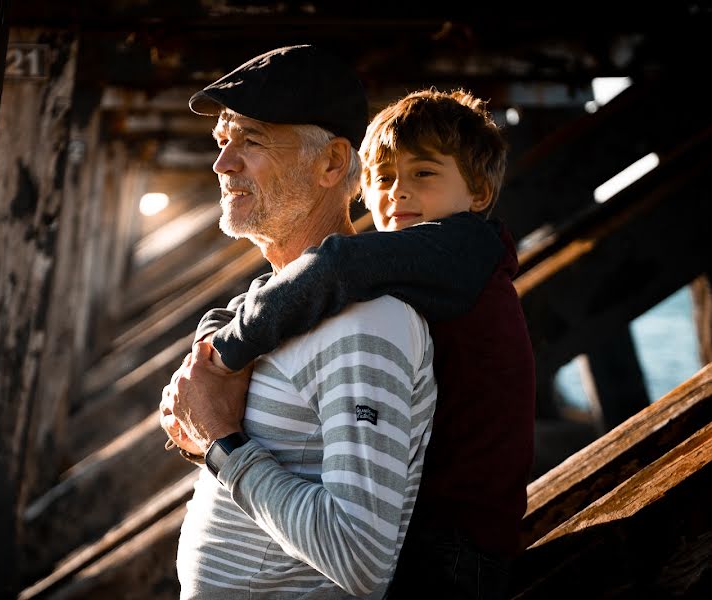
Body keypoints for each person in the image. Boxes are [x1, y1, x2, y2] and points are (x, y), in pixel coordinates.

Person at [184, 88, 537, 599]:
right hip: (436, 522)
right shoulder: (420, 263)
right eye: (384, 178)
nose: (398, 194)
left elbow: (336, 265)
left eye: (424, 174)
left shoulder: (462, 246)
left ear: (479, 195)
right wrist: (212, 333)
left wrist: (226, 352)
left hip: (456, 543)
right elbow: (282, 287)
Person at [158, 44, 439, 599]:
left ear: (333, 163)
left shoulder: (365, 326)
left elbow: (360, 560)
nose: (222, 164)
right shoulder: (271, 302)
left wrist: (221, 442)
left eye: (252, 140)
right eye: (222, 140)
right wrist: (198, 431)